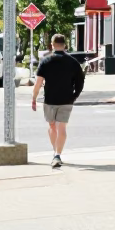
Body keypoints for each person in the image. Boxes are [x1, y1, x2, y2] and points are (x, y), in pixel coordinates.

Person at [31, 33, 85, 168]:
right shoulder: (73, 62)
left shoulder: (45, 61)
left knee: (52, 126)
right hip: (67, 99)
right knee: (62, 127)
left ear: (52, 44)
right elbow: (80, 81)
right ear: (65, 45)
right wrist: (75, 95)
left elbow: (38, 83)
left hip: (50, 99)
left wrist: (34, 98)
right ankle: (57, 154)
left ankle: (55, 153)